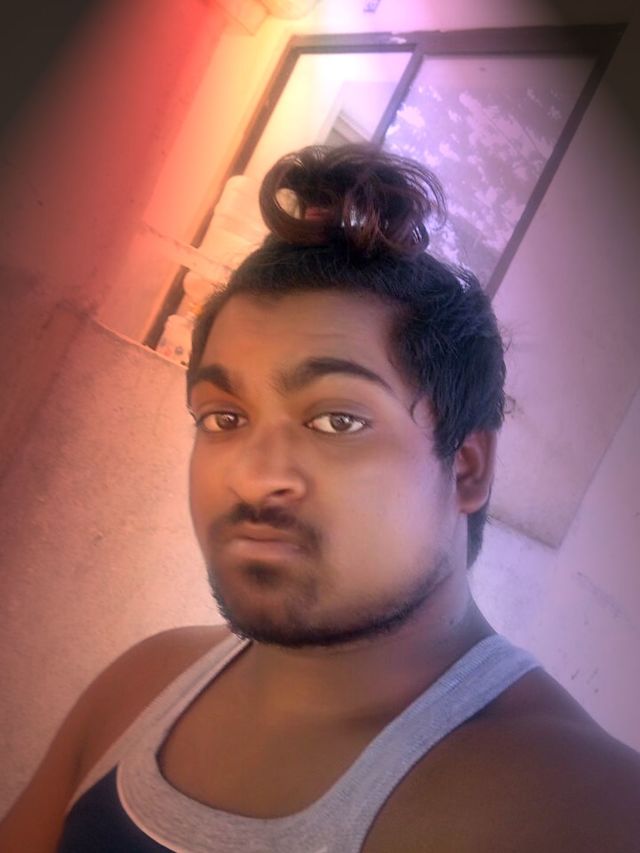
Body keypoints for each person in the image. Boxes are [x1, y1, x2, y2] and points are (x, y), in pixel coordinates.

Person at [1, 145, 639, 852]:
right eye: (224, 418)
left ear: (465, 468)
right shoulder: (140, 688)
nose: (253, 476)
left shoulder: (579, 807)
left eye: (337, 420)